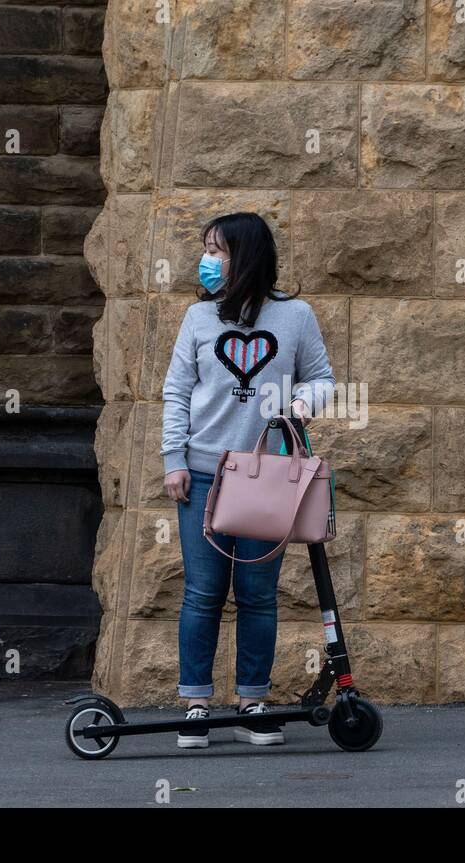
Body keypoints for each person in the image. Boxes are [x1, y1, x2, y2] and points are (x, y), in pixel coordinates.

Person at [161, 212, 336, 749]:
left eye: (218, 250)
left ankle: (251, 701)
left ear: (247, 256)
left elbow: (323, 378)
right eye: (205, 249)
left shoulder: (295, 316)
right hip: (203, 473)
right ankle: (195, 703)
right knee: (202, 593)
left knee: (258, 594)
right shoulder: (197, 317)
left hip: (265, 474)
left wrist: (302, 404)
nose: (208, 261)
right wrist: (173, 459)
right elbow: (177, 392)